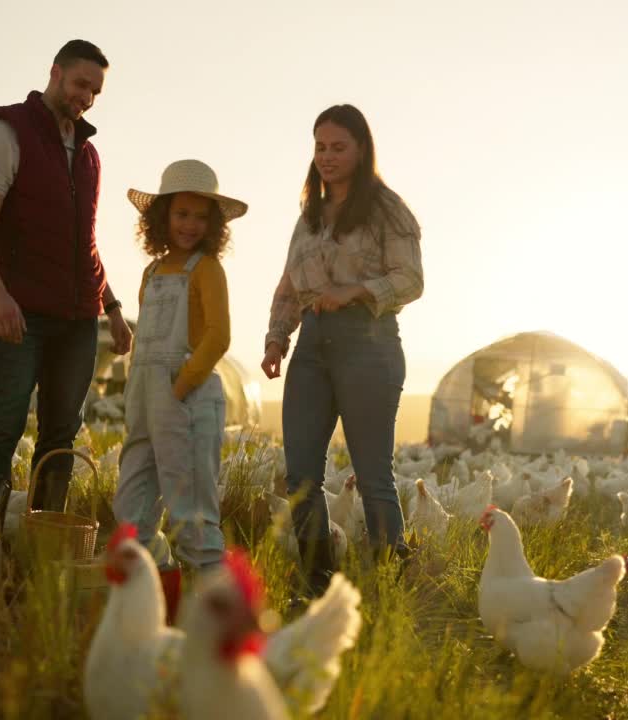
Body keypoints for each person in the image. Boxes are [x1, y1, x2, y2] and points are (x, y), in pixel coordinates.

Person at [0, 40, 133, 527]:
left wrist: (113, 306)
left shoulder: (89, 155)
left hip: (77, 320)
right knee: (3, 426)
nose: (87, 98)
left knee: (61, 435)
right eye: (81, 84)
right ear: (55, 73)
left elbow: (85, 244)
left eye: (96, 91)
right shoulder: (6, 131)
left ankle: (46, 537)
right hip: (20, 313)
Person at [261, 104, 424, 597]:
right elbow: (290, 283)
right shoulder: (308, 216)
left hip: (367, 344)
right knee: (301, 475)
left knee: (373, 473)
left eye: (338, 147)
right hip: (311, 346)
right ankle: (317, 580)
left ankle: (388, 582)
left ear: (361, 150)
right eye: (319, 147)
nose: (327, 157)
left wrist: (355, 291)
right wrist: (276, 336)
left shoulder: (386, 209)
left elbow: (411, 279)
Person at [113, 159, 246, 623]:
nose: (189, 224)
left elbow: (218, 336)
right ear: (161, 218)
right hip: (144, 398)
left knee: (191, 510)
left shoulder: (206, 269)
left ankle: (222, 619)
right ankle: (161, 591)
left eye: (199, 216)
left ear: (212, 225)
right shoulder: (151, 273)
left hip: (185, 396)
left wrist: (181, 383)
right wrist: (144, 391)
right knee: (130, 512)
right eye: (180, 214)